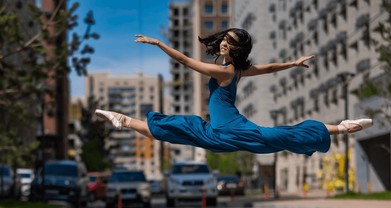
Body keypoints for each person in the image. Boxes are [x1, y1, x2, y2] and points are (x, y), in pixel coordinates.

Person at [95, 28, 373, 156]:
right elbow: (269, 68)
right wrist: (292, 63)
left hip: (231, 130)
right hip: (220, 132)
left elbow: (184, 61)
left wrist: (158, 43)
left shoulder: (227, 72)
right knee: (178, 127)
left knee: (282, 135)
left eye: (231, 43)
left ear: (237, 50)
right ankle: (124, 121)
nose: (225, 44)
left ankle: (342, 127)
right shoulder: (236, 70)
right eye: (225, 40)